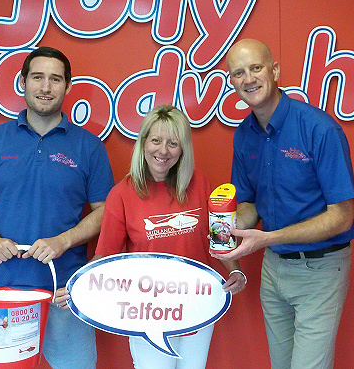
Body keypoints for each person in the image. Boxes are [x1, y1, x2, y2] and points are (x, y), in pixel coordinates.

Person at [0, 46, 114, 369]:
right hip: (2, 289)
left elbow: (106, 212)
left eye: (55, 79)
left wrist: (63, 241)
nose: (46, 87)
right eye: (38, 77)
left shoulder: (89, 146)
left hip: (65, 292)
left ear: (67, 86)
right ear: (23, 82)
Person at [57, 104, 246, 369]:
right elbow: (105, 256)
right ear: (143, 142)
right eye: (156, 140)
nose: (163, 151)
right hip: (147, 312)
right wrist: (78, 287)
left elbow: (218, 238)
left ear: (183, 149)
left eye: (173, 143)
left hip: (196, 305)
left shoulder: (200, 184)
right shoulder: (122, 195)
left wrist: (235, 271)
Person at [217, 39, 354, 369]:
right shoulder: (244, 135)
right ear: (232, 82)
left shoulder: (319, 129)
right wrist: (226, 227)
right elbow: (249, 203)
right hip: (274, 268)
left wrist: (269, 237)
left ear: (275, 71)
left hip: (320, 269)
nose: (249, 79)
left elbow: (342, 217)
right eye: (239, 73)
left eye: (256, 68)